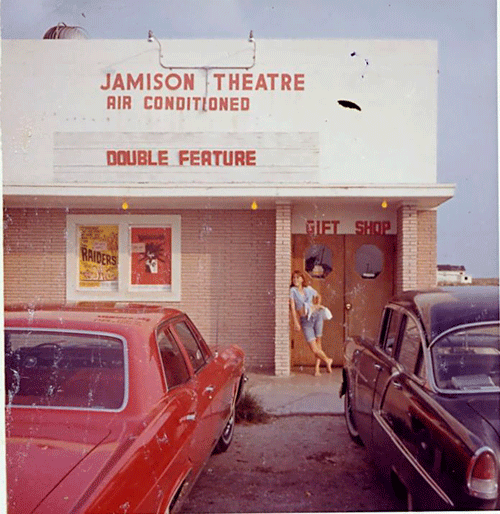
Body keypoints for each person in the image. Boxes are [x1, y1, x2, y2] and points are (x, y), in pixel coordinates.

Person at [289, 270, 333, 376]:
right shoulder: (292, 291)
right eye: (294, 278)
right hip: (305, 320)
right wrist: (295, 321)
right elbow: (293, 307)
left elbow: (318, 296)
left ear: (302, 279)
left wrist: (317, 305)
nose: (295, 280)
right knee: (314, 348)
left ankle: (317, 369)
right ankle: (328, 360)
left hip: (316, 316)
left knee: (318, 343)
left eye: (297, 277)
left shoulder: (308, 289)